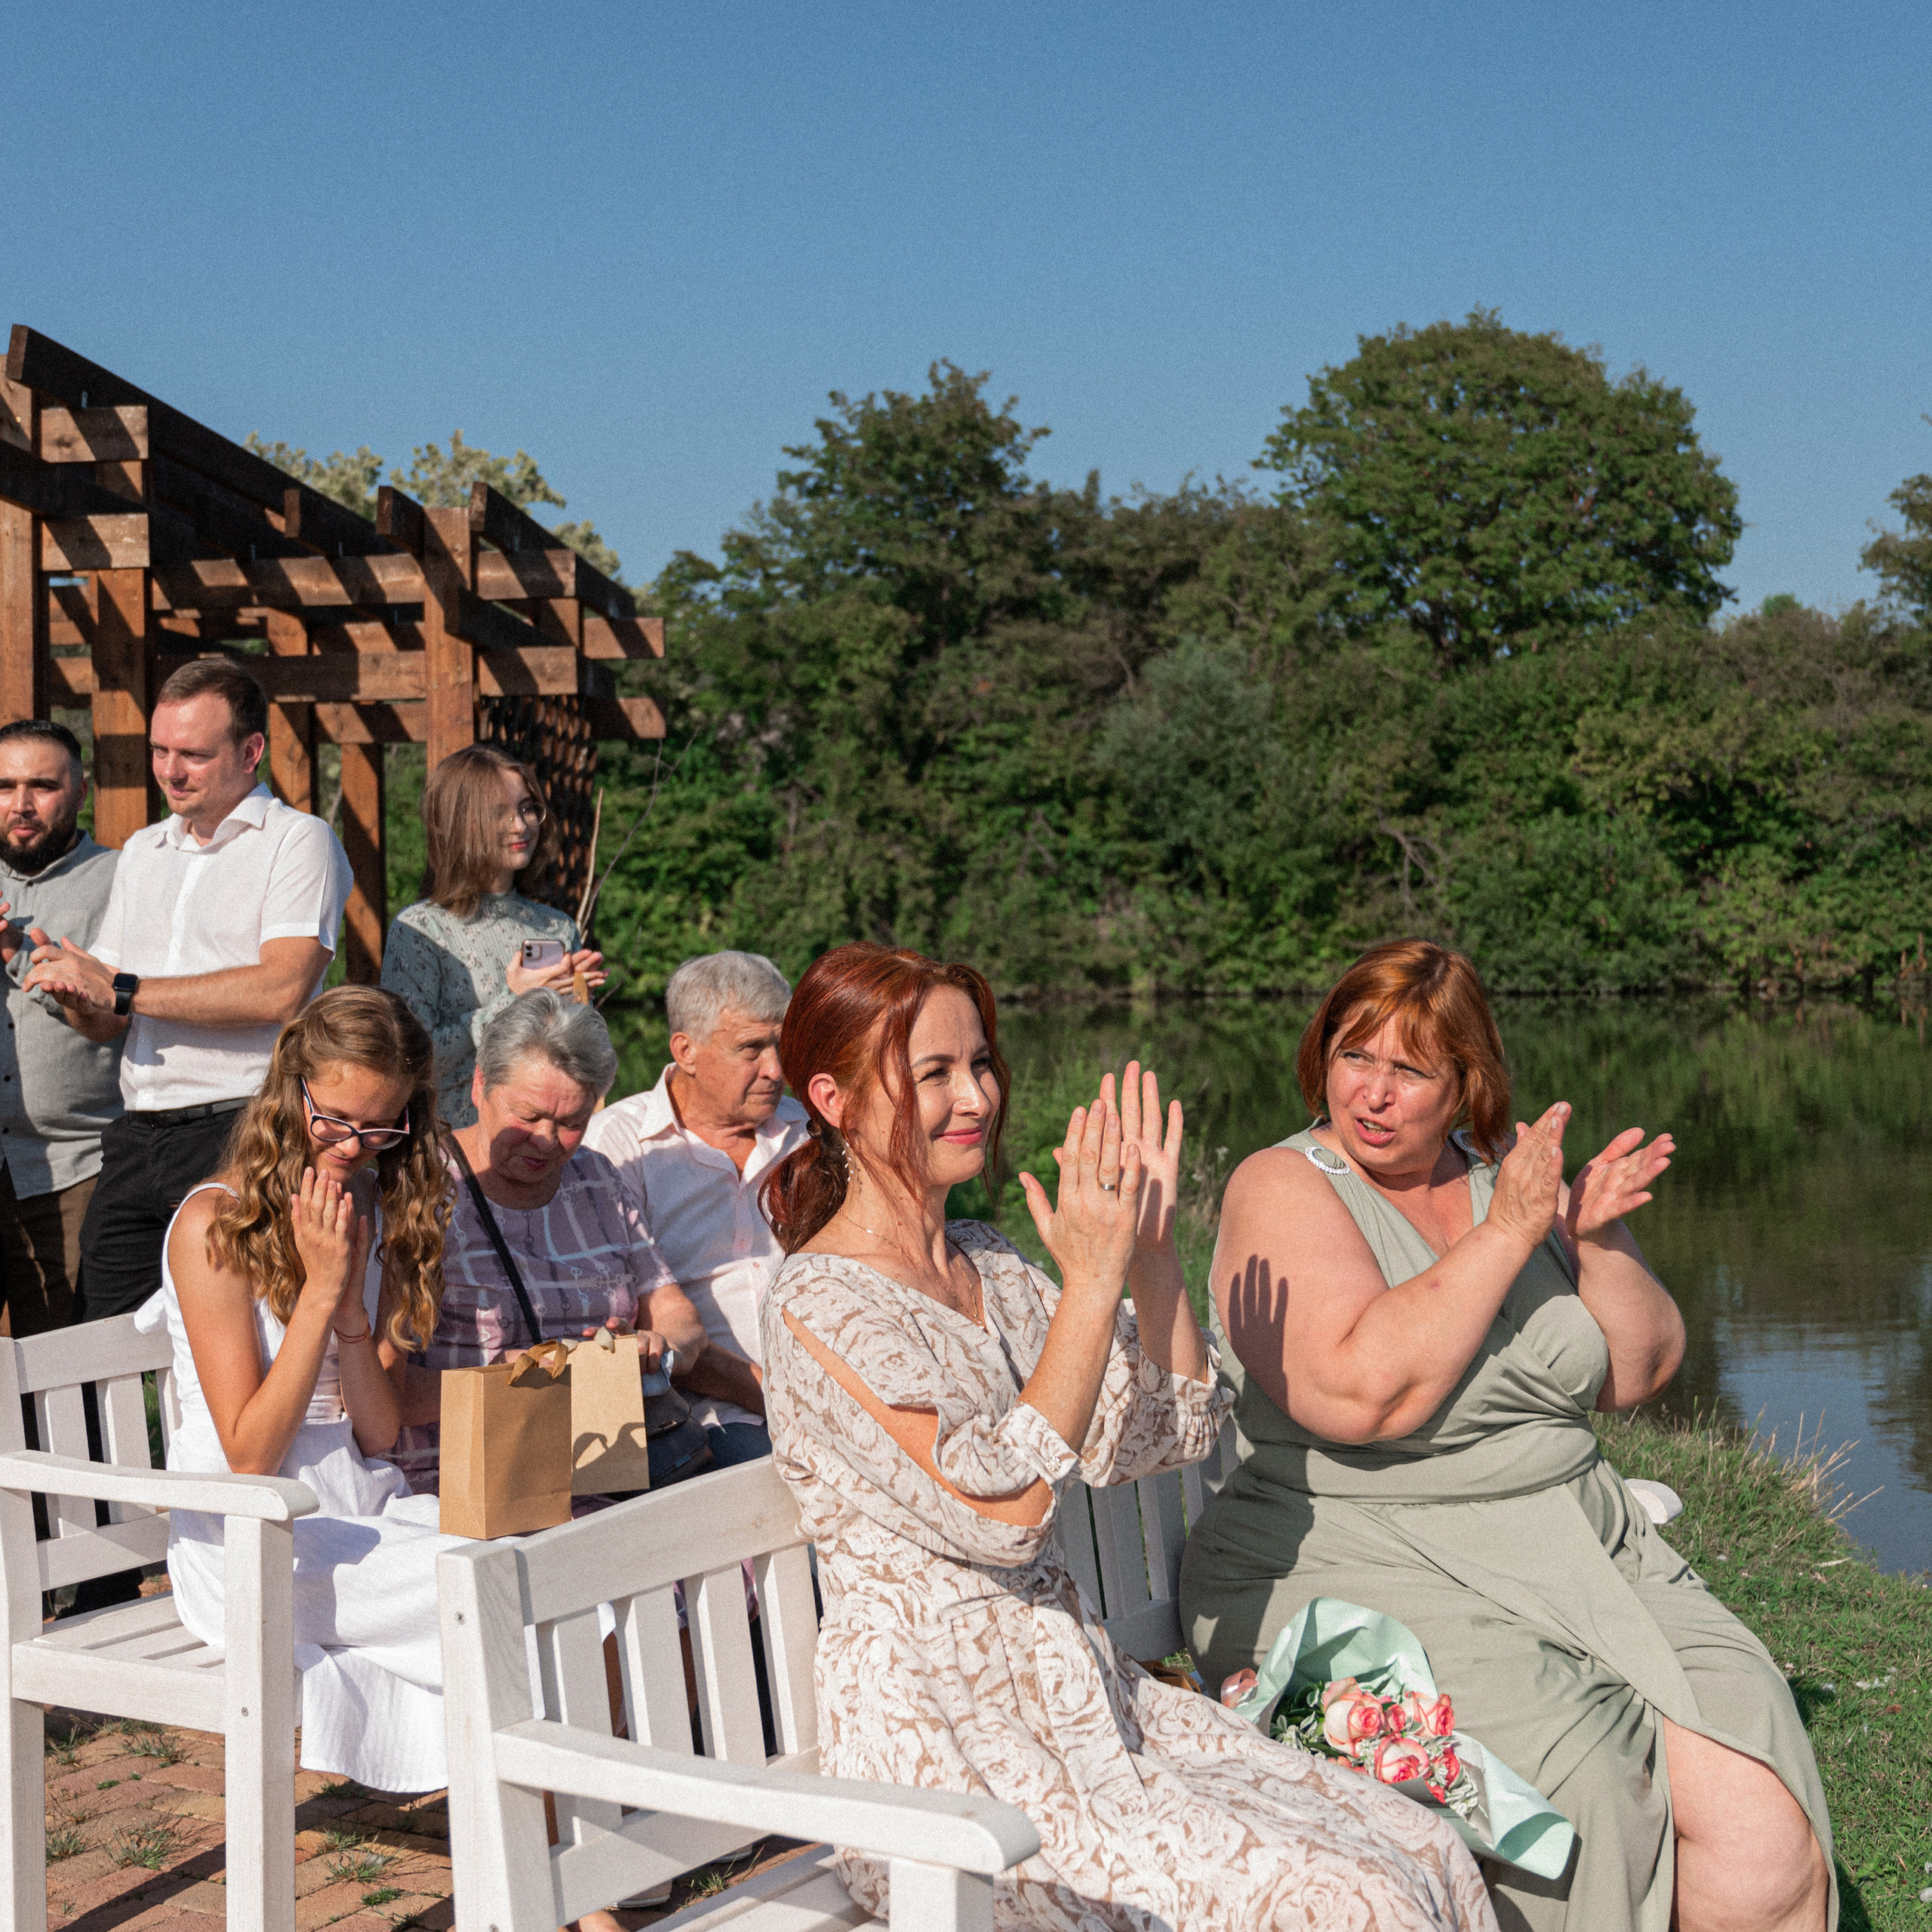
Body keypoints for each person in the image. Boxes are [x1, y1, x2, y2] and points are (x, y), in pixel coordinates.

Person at [758, 941, 1494, 1931]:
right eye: (932, 1074)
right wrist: (1093, 1281)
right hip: (954, 1761)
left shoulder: (987, 1260)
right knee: (1352, 1901)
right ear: (834, 1100)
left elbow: (1151, 1435)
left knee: (1425, 1843)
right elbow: (1007, 1513)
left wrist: (1149, 1255)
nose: (975, 1095)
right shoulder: (818, 1301)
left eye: (979, 1062)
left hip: (1090, 1704)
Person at [1178, 940, 1832, 1932]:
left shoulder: (1496, 1181)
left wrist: (1598, 1240)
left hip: (1575, 1535)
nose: (1375, 1095)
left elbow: (1636, 1370)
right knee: (1593, 1794)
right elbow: (1357, 1397)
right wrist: (1510, 1236)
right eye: (1357, 1056)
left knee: (1763, 1824)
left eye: (1412, 1072)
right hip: (1357, 1555)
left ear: (1466, 1086)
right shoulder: (1283, 1186)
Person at [138, 986, 461, 1792]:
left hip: (356, 1505)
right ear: (292, 1092)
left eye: (382, 1127)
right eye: (336, 1121)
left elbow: (380, 1434)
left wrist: (351, 1311)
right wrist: (318, 1294)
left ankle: (554, 1867)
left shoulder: (369, 1208)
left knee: (540, 1565)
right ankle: (555, 1880)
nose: (355, 1147)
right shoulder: (217, 1225)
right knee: (491, 1592)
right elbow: (248, 1454)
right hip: (249, 1538)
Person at [24, 657, 352, 1321]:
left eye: (193, 755)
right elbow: (113, 1016)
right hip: (137, 1133)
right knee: (97, 1344)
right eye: (160, 750)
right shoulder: (145, 849)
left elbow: (282, 990)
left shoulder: (299, 841)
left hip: (245, 1127)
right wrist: (75, 994)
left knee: (239, 1343)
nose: (170, 771)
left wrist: (116, 986)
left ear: (250, 750)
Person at [388, 989, 712, 1497]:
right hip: (460, 1488)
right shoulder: (421, 1188)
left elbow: (681, 1319)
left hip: (601, 1472)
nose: (545, 1139)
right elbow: (392, 1394)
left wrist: (656, 1348)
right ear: (479, 1087)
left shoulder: (596, 1178)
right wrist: (533, 1376)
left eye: (571, 1123)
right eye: (529, 1116)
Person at [585, 951, 804, 1469]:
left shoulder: (811, 1133)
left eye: (781, 1045)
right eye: (751, 1048)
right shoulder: (621, 1147)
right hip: (695, 1415)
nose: (776, 1069)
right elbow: (642, 1322)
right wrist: (788, 1406)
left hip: (831, 1399)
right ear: (686, 1051)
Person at [380, 743, 604, 1129]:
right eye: (500, 814)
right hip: (453, 1153)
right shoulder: (420, 930)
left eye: (527, 808)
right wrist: (513, 999)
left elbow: (575, 1057)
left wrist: (578, 997)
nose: (520, 825)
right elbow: (409, 1061)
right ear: (459, 822)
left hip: (542, 1143)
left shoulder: (556, 927)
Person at [0, 720, 123, 1335]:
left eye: (42, 786)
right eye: (4, 786)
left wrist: (18, 956)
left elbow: (128, 1012)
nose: (21, 805)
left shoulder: (124, 881)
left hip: (76, 1166)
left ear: (80, 791)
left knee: (72, 1373)